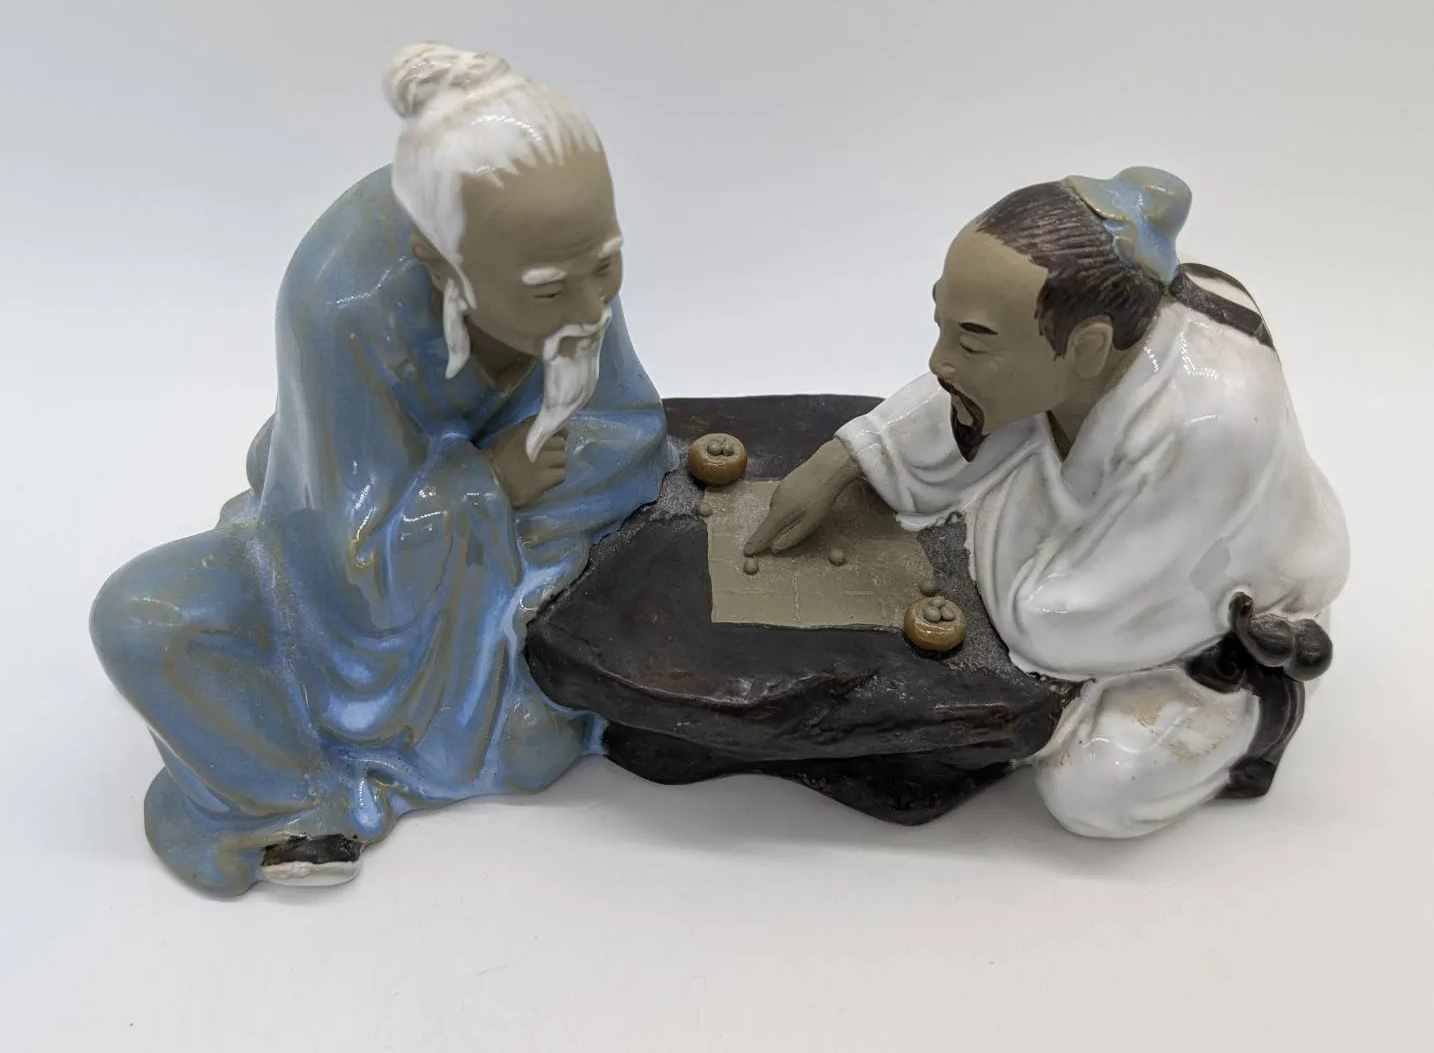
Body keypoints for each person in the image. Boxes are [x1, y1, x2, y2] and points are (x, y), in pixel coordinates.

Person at [90, 43, 669, 894]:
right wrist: (487, 485)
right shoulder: (346, 306)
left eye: (607, 264)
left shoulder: (557, 252)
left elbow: (625, 433)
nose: (591, 308)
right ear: (442, 264)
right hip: (373, 572)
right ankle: (295, 800)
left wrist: (541, 479)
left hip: (525, 537)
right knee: (143, 622)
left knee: (580, 654)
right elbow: (346, 554)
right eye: (551, 292)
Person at [746, 167, 1349, 838]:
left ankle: (1250, 712)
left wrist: (981, 537)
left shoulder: (1211, 421)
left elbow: (1064, 621)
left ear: (1088, 347)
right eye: (942, 324)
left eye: (971, 339)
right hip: (1103, 538)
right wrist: (845, 460)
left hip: (1204, 597)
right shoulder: (1089, 344)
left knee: (1094, 789)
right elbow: (964, 402)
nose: (940, 361)